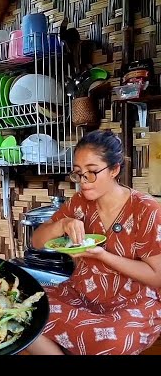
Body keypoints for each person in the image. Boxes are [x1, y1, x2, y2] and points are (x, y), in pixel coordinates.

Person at [27, 129, 161, 355]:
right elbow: (37, 241)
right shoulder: (79, 203)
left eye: (91, 172)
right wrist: (61, 224)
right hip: (81, 293)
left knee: (113, 341)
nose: (83, 182)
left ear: (114, 170)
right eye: (78, 174)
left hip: (133, 303)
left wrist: (102, 255)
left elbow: (157, 276)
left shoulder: (145, 209)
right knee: (25, 309)